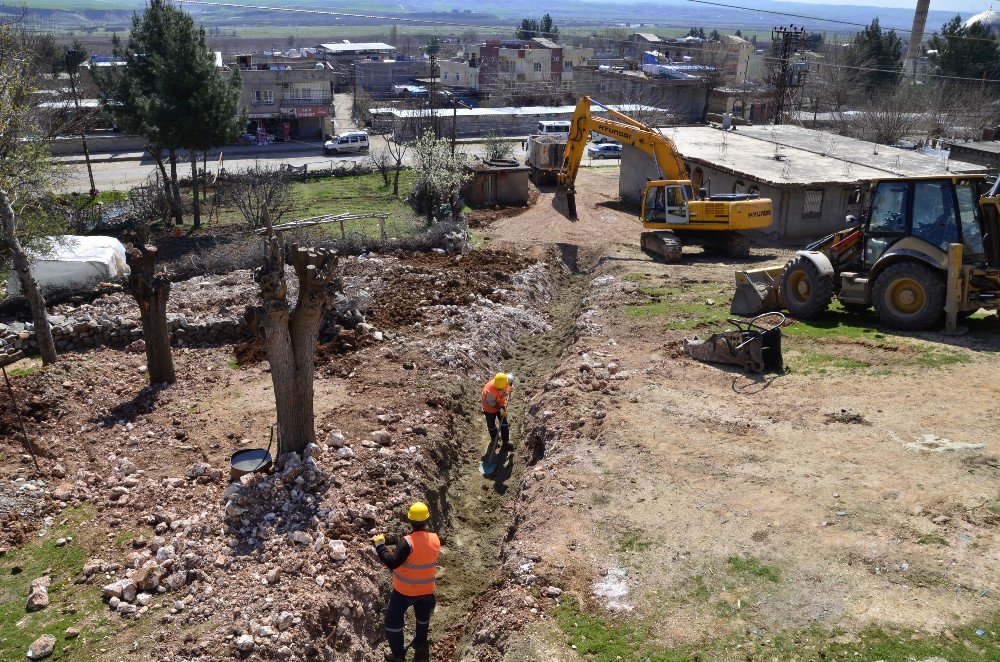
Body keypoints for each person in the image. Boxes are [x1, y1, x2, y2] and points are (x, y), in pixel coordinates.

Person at [372, 502, 441, 661]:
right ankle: (420, 643)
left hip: (404, 592)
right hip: (426, 591)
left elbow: (392, 562)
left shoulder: (407, 542)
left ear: (409, 521)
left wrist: (380, 545)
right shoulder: (435, 539)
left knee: (392, 624)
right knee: (423, 618)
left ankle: (399, 655)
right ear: (427, 519)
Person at [481, 372, 512, 450]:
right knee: (491, 425)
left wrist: (510, 387)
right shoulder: (489, 390)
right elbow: (493, 403)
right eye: (498, 389)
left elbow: (511, 381)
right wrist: (501, 410)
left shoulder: (505, 381)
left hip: (500, 403)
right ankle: (494, 439)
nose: (500, 390)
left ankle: (505, 441)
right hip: (489, 407)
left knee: (504, 423)